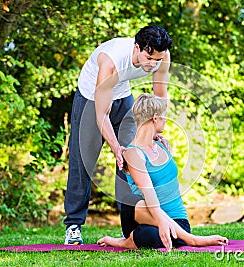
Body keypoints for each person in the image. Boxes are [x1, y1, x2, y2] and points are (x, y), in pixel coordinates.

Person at [64, 26, 173, 245]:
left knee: (132, 159)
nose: (153, 64)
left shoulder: (163, 57)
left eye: (157, 59)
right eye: (148, 57)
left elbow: (160, 98)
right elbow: (101, 115)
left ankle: (130, 228)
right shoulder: (111, 62)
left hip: (123, 96)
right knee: (83, 161)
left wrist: (156, 131)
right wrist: (116, 149)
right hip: (91, 100)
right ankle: (74, 226)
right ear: (137, 48)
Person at [97, 94, 228, 250]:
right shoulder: (133, 153)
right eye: (164, 116)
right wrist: (166, 224)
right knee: (131, 200)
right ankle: (191, 240)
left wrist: (167, 224)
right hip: (145, 215)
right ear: (155, 118)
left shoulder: (163, 146)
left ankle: (131, 241)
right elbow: (149, 195)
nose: (166, 120)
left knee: (150, 236)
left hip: (178, 222)